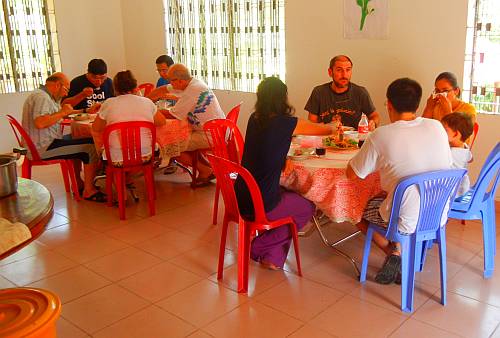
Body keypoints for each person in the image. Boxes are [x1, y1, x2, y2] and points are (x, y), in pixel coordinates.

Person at [346, 78, 452, 284]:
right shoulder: (437, 127)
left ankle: (394, 252)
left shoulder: (381, 135)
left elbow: (352, 174)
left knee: (353, 207)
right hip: (437, 213)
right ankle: (398, 250)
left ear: (389, 104)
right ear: (418, 104)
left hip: (403, 218)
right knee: (391, 195)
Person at [235, 76, 332, 270]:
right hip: (261, 203)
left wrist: (285, 158)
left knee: (290, 198)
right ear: (283, 98)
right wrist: (334, 128)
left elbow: (266, 146)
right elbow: (322, 131)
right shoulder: (285, 123)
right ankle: (258, 246)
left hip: (240, 196)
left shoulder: (254, 119)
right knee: (307, 207)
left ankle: (272, 258)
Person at [21, 72, 104, 202]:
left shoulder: (46, 96)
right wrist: (62, 112)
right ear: (57, 85)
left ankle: (78, 183)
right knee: (90, 148)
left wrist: (85, 111)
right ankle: (89, 191)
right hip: (44, 147)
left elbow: (59, 114)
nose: (66, 94)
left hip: (47, 142)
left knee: (79, 138)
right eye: (66, 89)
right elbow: (40, 122)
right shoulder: (41, 97)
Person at [157, 63, 225, 185]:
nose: (171, 84)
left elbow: (173, 115)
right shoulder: (195, 83)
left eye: (171, 81)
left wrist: (153, 111)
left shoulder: (192, 90)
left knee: (172, 146)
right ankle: (209, 168)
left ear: (180, 81)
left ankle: (205, 170)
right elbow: (165, 89)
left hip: (211, 134)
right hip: (217, 129)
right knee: (181, 139)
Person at [92, 70, 166, 162]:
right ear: (135, 86)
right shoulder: (147, 102)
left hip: (116, 157)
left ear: (115, 88)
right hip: (146, 153)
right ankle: (138, 172)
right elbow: (162, 122)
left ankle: (120, 174)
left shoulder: (108, 103)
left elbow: (96, 128)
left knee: (101, 150)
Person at [305, 55, 379, 129]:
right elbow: (311, 123)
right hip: (326, 138)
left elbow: (374, 116)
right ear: (330, 72)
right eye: (339, 70)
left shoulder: (360, 92)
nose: (344, 75)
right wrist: (326, 127)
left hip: (354, 138)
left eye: (348, 70)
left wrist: (373, 123)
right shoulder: (318, 92)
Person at [441, 112, 474, 196]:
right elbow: (471, 159)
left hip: (453, 192)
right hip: (464, 188)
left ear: (456, 134)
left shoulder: (450, 153)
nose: (440, 132)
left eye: (444, 130)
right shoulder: (465, 147)